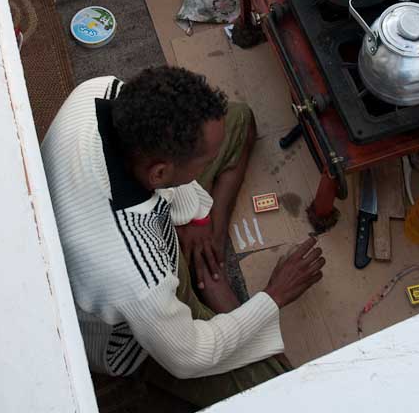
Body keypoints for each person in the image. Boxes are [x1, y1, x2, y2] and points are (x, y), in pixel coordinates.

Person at [42, 66, 325, 407]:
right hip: (133, 336)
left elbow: (197, 156)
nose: (207, 165)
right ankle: (219, 299)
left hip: (119, 229)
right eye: (203, 162)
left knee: (238, 120)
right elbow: (189, 356)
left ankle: (209, 246)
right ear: (159, 173)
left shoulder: (97, 92)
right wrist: (273, 296)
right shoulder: (139, 277)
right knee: (282, 392)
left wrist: (202, 219)